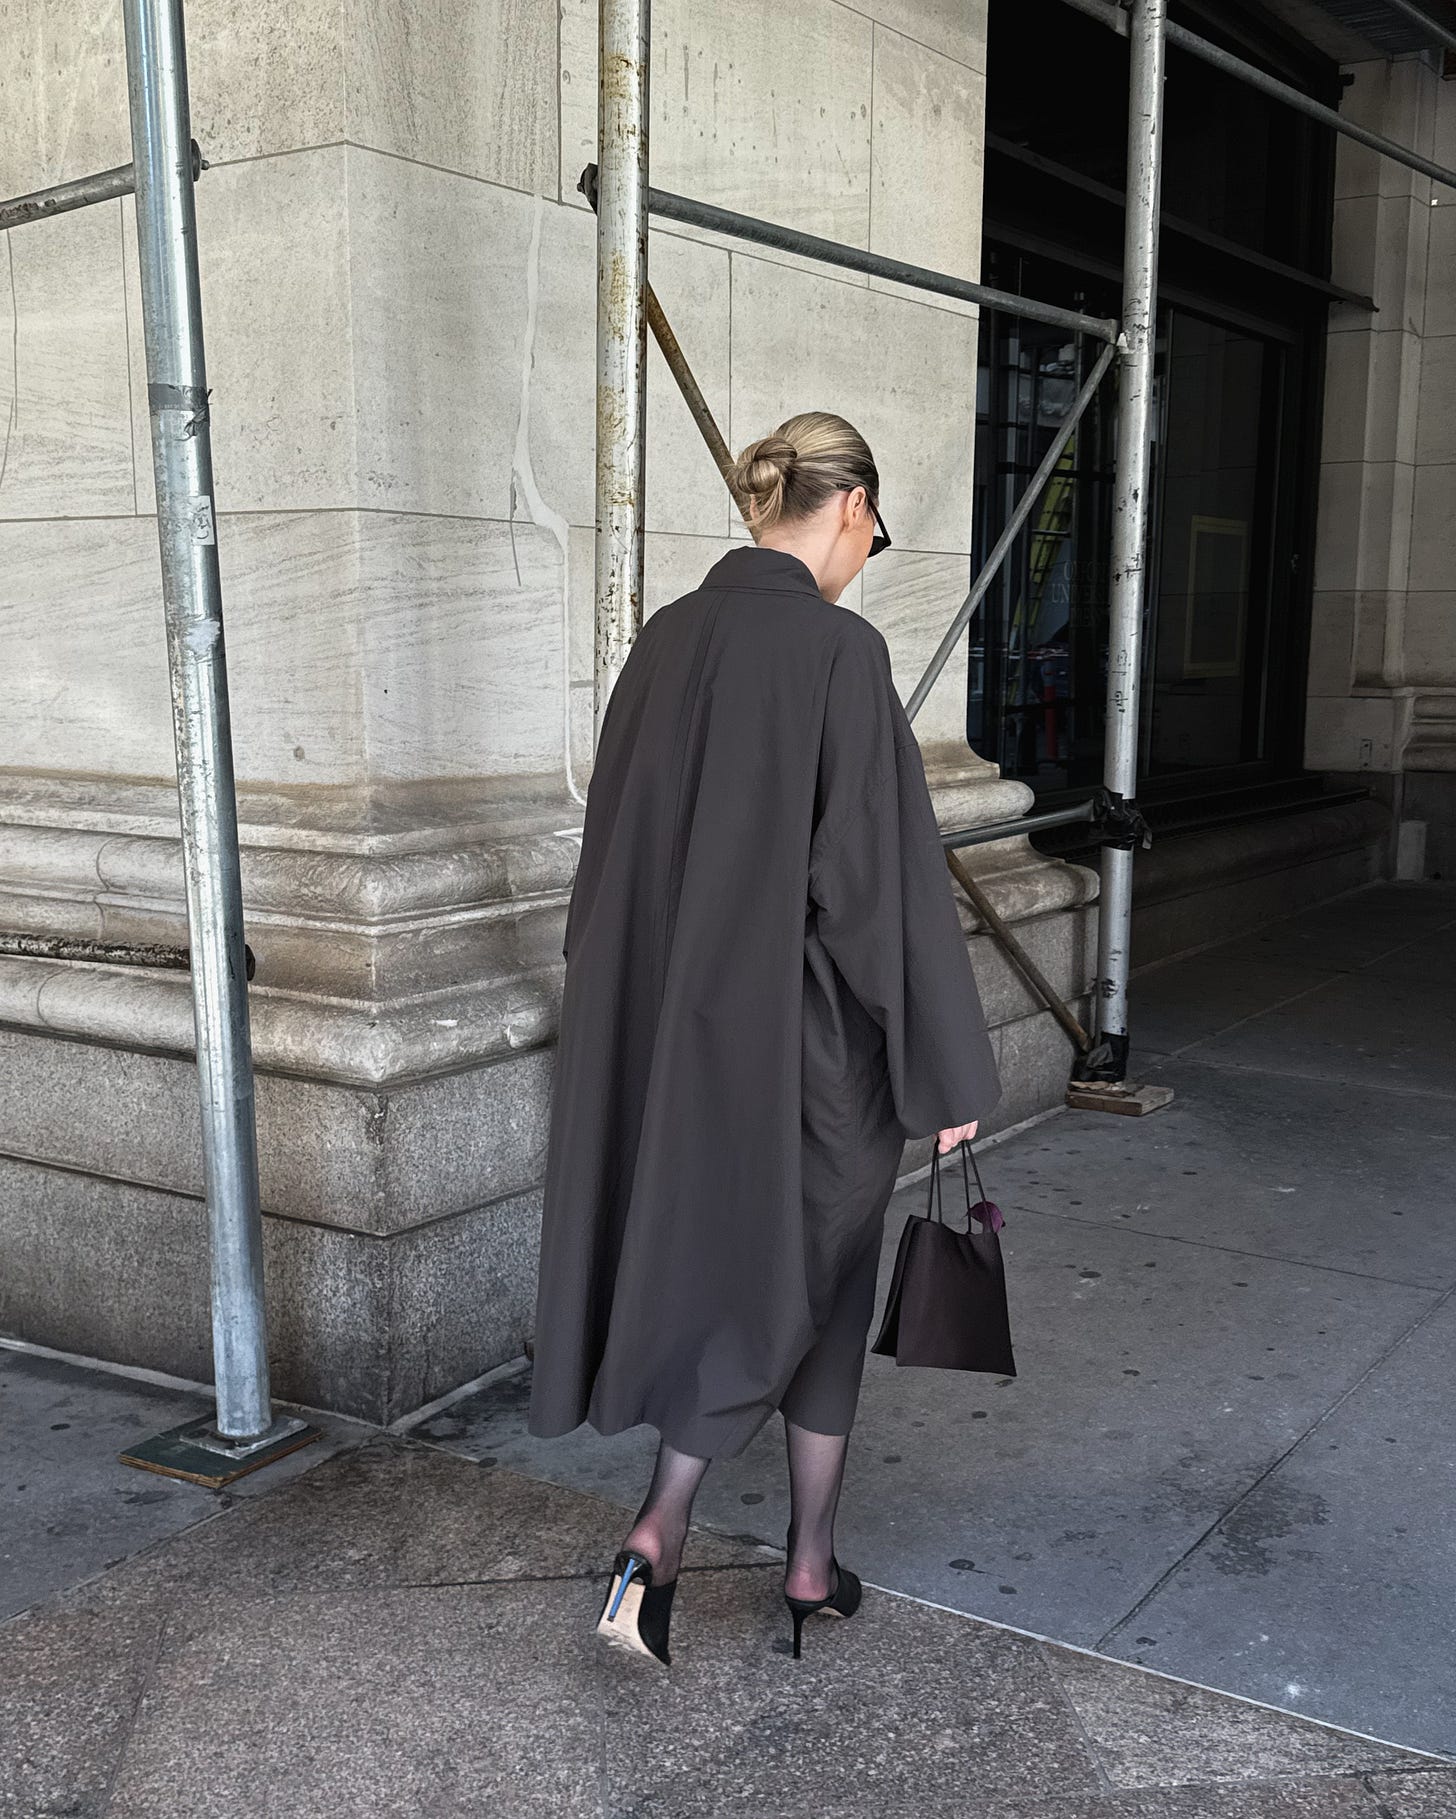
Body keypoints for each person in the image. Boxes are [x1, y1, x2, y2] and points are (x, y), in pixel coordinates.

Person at [527, 411, 1000, 1666]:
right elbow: (875, 885)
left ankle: (762, 1556)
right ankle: (694, 1537)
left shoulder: (664, 640)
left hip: (675, 1037)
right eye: (873, 535)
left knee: (739, 1273)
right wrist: (943, 1066)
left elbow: (612, 858)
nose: (863, 558)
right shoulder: (839, 653)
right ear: (851, 509)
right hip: (808, 1050)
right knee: (808, 1290)